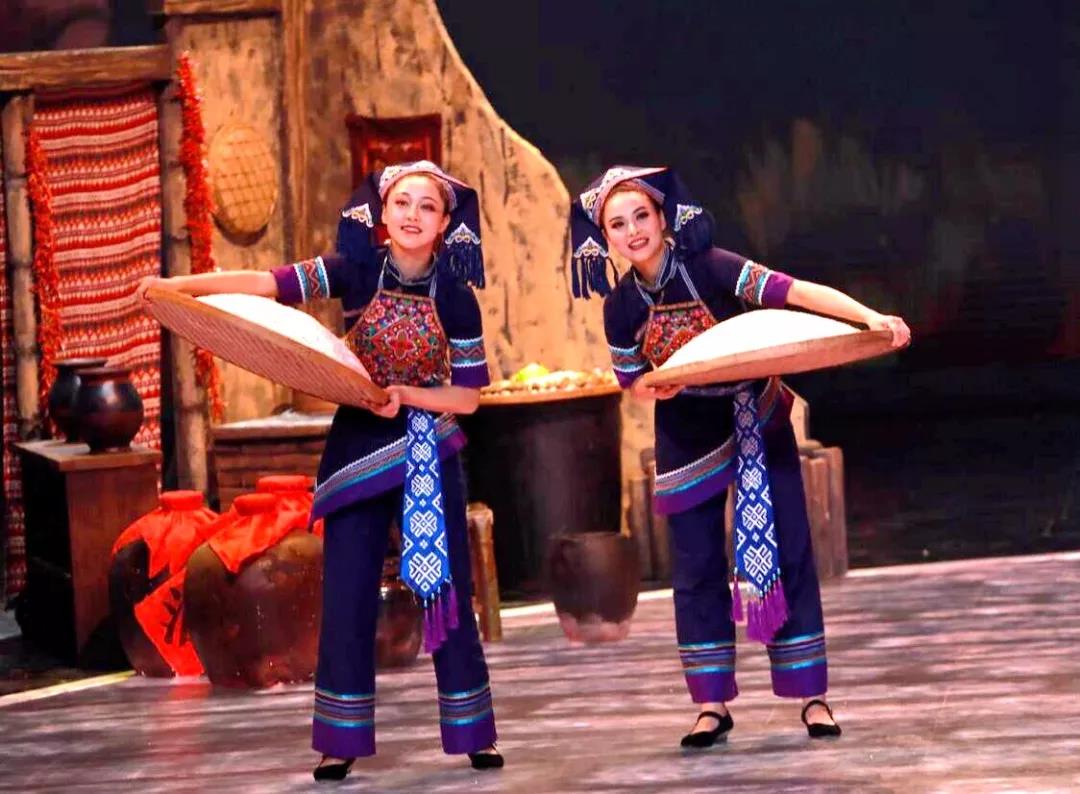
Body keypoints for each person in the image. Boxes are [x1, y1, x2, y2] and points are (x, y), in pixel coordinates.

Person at [137, 161, 502, 781]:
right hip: (359, 450)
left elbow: (467, 397)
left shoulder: (456, 298)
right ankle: (340, 741)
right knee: (347, 596)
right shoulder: (354, 268)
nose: (413, 215)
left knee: (445, 594)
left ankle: (475, 733)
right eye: (402, 203)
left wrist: (406, 397)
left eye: (427, 207)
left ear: (445, 223)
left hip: (427, 451)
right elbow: (266, 283)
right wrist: (178, 286)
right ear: (382, 213)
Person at [569, 166, 910, 748]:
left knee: (790, 547)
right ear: (605, 237)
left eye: (641, 216)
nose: (633, 231)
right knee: (695, 565)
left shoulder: (711, 266)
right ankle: (711, 704)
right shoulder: (620, 306)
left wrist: (867, 317)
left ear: (662, 217)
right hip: (685, 434)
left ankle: (812, 696)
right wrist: (660, 385)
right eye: (617, 224)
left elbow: (794, 291)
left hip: (755, 416)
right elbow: (633, 380)